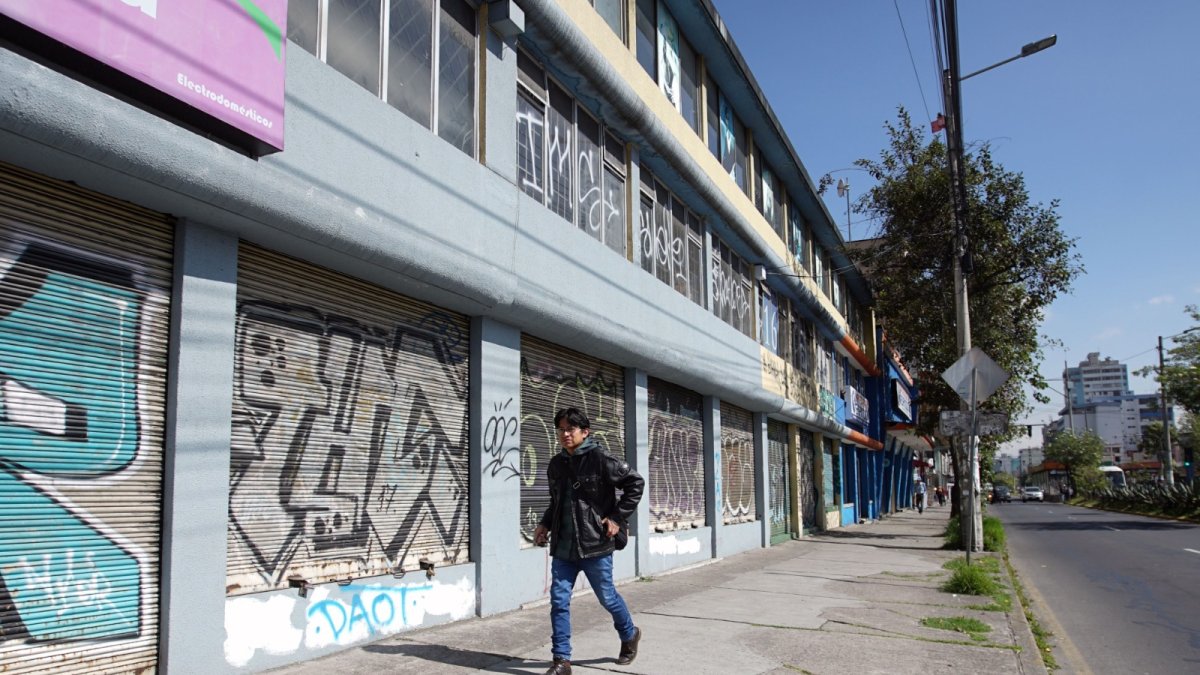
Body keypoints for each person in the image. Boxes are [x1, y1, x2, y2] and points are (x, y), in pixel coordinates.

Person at [533, 408, 645, 675]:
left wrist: (617, 516)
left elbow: (635, 483)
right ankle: (562, 660)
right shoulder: (556, 465)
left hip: (596, 545)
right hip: (563, 547)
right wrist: (545, 524)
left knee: (607, 597)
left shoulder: (601, 459)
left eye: (571, 429)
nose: (565, 434)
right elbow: (557, 502)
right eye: (561, 429)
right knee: (559, 601)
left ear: (585, 432)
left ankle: (629, 634)